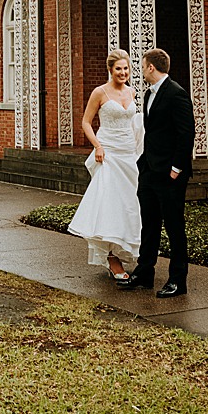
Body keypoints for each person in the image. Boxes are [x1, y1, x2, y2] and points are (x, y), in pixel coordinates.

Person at [116, 47, 195, 298]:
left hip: (170, 174)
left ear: (151, 67)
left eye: (142, 65)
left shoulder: (176, 94)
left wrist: (176, 169)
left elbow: (186, 134)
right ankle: (145, 273)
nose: (140, 69)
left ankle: (177, 280)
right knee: (149, 224)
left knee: (174, 227)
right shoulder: (149, 94)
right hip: (149, 171)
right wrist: (144, 165)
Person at [67, 49, 143, 279]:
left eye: (126, 68)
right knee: (110, 203)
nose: (123, 72)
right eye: (118, 68)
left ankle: (129, 248)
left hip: (129, 153)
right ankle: (111, 258)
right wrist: (98, 146)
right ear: (110, 70)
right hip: (108, 153)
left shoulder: (132, 92)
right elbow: (86, 122)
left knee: (130, 204)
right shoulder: (100, 92)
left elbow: (135, 122)